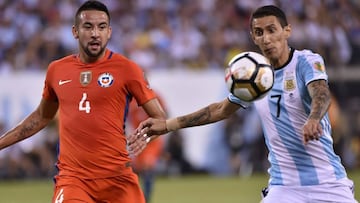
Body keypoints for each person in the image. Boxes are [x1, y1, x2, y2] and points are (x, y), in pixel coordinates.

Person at [128, 5, 358, 203]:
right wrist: (168, 125)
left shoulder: (305, 61)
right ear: (253, 37)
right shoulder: (254, 75)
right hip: (284, 187)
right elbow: (219, 110)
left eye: (272, 30)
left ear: (287, 31)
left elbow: (321, 93)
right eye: (259, 32)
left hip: (328, 182)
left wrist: (313, 119)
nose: (266, 38)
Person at [0, 1, 166, 203]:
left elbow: (159, 117)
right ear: (75, 31)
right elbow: (42, 116)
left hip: (117, 179)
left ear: (109, 32)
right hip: (73, 180)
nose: (95, 33)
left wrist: (144, 135)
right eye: (88, 26)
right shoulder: (57, 70)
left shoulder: (128, 69)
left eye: (102, 27)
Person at [127, 92, 167, 203]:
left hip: (151, 139)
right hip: (136, 139)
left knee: (148, 166)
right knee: (137, 169)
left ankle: (146, 198)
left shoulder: (154, 96)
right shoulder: (130, 100)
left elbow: (164, 116)